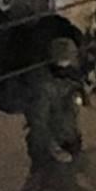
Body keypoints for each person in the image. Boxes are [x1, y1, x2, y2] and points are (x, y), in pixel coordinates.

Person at [22, 36, 84, 169]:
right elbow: (38, 120)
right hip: (51, 143)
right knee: (45, 169)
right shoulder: (43, 86)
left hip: (66, 137)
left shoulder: (69, 79)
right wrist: (52, 145)